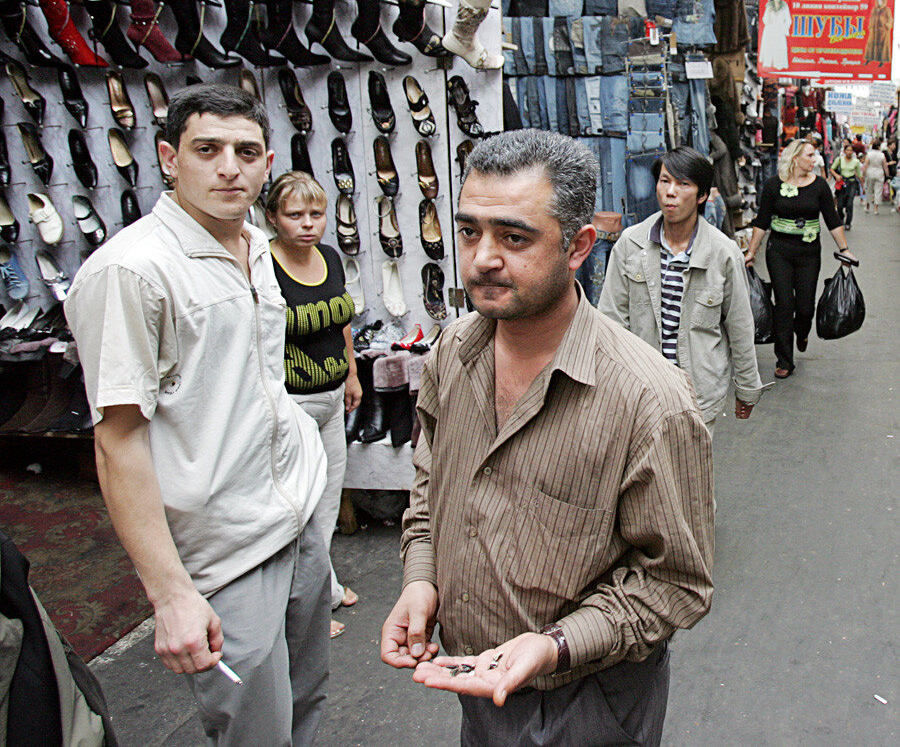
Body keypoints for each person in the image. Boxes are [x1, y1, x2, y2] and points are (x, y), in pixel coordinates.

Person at [381, 130, 713, 747]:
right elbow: (432, 487)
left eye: (514, 237)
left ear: (578, 246)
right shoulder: (454, 352)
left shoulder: (648, 400)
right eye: (469, 231)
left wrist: (556, 644)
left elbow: (676, 583)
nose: (481, 258)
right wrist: (421, 580)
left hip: (588, 702)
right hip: (477, 684)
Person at [65, 85, 330, 746]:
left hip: (294, 517)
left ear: (268, 162)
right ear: (167, 157)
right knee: (255, 731)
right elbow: (117, 442)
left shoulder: (255, 248)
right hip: (224, 550)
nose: (228, 167)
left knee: (308, 703)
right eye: (206, 150)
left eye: (245, 152)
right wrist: (171, 594)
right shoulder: (133, 271)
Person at [598, 146, 762, 438]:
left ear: (701, 196)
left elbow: (739, 325)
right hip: (641, 390)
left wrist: (747, 388)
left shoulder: (724, 254)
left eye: (683, 184)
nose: (670, 192)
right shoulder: (630, 244)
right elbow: (611, 320)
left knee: (690, 479)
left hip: (697, 393)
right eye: (664, 181)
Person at [266, 171, 362, 638]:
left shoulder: (328, 258)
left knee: (326, 499)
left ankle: (323, 583)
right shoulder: (263, 266)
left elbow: (341, 320)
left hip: (330, 394)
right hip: (292, 401)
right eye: (295, 215)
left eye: (316, 214)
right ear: (272, 218)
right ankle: (304, 609)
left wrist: (353, 372)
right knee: (298, 507)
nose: (308, 224)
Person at [745, 138, 857, 380]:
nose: (814, 160)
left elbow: (833, 220)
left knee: (805, 307)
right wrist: (751, 252)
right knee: (784, 305)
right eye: (809, 155)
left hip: (808, 253)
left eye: (814, 155)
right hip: (779, 252)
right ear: (795, 158)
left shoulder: (819, 187)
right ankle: (784, 359)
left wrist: (844, 249)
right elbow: (762, 221)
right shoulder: (774, 186)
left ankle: (802, 332)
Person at [830, 139, 863, 230]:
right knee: (839, 205)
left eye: (851, 150)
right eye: (847, 150)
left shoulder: (856, 162)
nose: (849, 152)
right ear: (844, 151)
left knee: (849, 204)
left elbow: (859, 175)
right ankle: (841, 218)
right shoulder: (839, 160)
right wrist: (836, 175)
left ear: (853, 152)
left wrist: (863, 187)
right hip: (842, 183)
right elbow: (832, 169)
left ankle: (848, 223)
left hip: (852, 183)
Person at [759, 0, 791, 70]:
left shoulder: (784, 8)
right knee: (769, 47)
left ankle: (779, 65)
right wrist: (768, 13)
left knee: (779, 48)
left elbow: (788, 20)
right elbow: (765, 20)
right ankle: (767, 63)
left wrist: (784, 29)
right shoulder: (769, 7)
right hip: (770, 31)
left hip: (779, 31)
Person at [863, 0, 893, 65]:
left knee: (882, 46)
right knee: (871, 45)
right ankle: (868, 60)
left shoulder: (887, 9)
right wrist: (871, 26)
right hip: (874, 31)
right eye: (879, 0)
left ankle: (882, 61)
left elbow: (890, 19)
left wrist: (886, 24)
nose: (880, 2)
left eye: (881, 1)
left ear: (884, 1)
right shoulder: (874, 9)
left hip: (882, 32)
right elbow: (871, 17)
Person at [861, 139, 888, 215]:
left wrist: (863, 173)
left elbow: (866, 165)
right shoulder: (882, 155)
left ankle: (867, 207)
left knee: (869, 190)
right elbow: (885, 166)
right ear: (879, 147)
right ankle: (876, 209)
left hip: (870, 173)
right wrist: (887, 174)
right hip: (879, 173)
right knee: (878, 191)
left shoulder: (869, 154)